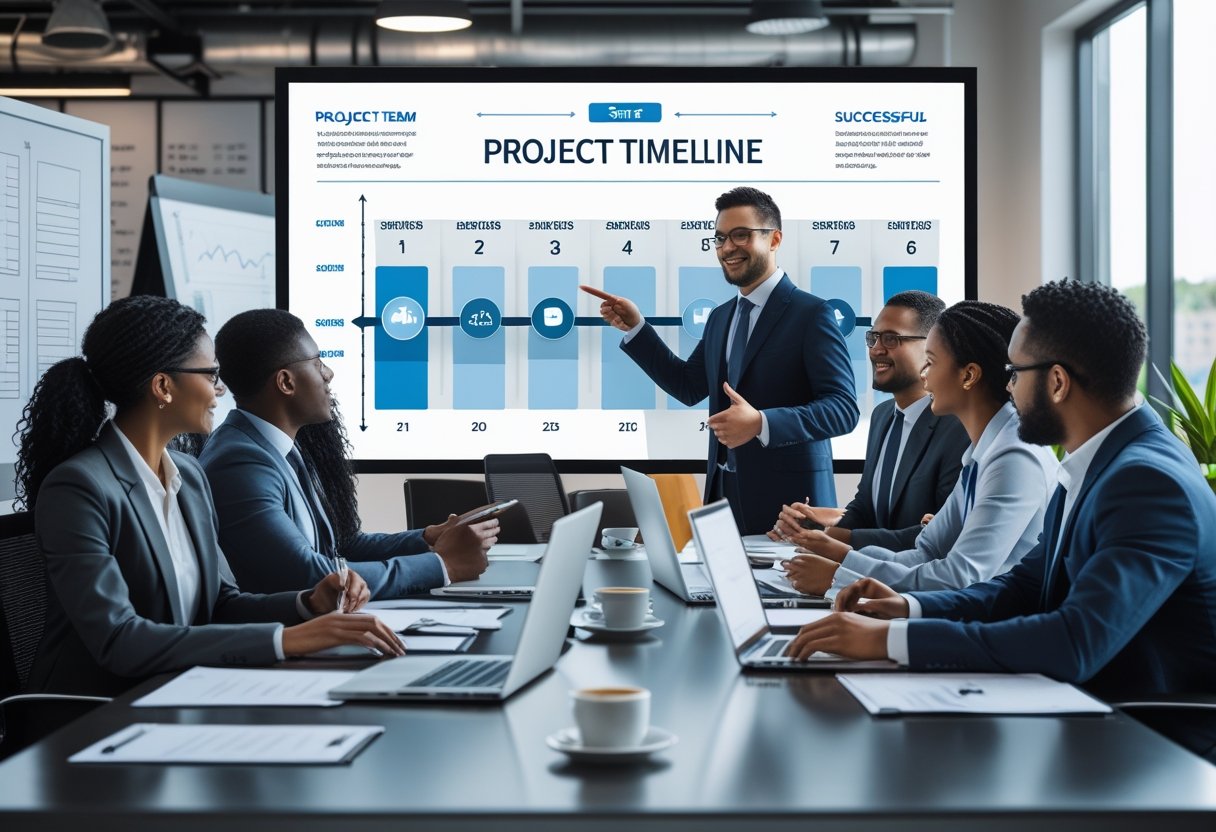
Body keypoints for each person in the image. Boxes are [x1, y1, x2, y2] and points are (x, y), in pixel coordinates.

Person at [786, 281, 1216, 758]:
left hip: (1151, 746)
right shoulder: (1098, 463)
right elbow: (1021, 588)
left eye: (1014, 373)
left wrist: (894, 640)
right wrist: (909, 609)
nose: (1007, 387)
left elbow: (1074, 641)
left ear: (1056, 382)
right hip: (1089, 714)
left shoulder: (1147, 484)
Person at [18, 296, 403, 697]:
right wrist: (286, 640)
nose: (220, 389)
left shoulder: (189, 474)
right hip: (93, 714)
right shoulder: (79, 488)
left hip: (187, 690)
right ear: (163, 387)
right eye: (211, 374)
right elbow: (119, 640)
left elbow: (221, 603)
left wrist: (307, 603)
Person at [582, 187, 858, 535]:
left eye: (741, 235)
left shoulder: (811, 313)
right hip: (723, 499)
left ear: (774, 239)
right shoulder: (721, 317)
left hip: (791, 507)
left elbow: (843, 409)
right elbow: (687, 385)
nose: (727, 248)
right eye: (720, 238)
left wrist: (761, 422)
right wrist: (638, 328)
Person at [199, 309, 497, 599]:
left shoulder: (282, 448)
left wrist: (428, 537)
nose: (328, 374)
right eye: (317, 363)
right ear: (286, 382)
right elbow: (306, 574)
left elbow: (339, 546)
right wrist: (443, 565)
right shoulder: (240, 462)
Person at [780, 300, 1058, 596]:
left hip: (995, 628)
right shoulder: (983, 452)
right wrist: (840, 555)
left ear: (968, 375)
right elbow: (925, 552)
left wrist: (840, 575)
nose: (924, 377)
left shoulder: (1014, 456)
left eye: (932, 362)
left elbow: (960, 576)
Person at [770, 290, 970, 552]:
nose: (876, 349)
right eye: (873, 337)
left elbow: (941, 534)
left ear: (933, 348)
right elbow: (865, 507)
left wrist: (837, 539)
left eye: (891, 338)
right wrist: (817, 529)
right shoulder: (883, 415)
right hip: (868, 576)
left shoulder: (958, 428)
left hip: (914, 585)